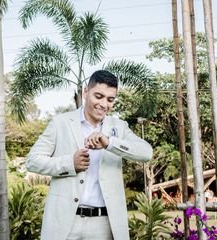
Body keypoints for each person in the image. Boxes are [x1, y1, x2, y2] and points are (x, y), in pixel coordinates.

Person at [26, 70, 153, 240]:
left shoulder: (119, 127)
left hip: (103, 224)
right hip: (64, 222)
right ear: (86, 92)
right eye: (98, 96)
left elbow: (146, 152)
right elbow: (32, 161)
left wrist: (110, 143)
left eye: (110, 99)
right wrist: (69, 163)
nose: (104, 104)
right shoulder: (60, 123)